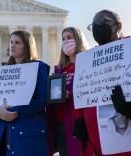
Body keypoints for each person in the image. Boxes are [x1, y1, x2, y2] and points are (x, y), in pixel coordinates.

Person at [72, 9, 131, 156]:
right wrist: (79, 118)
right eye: (93, 25)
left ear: (118, 25)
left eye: (102, 21)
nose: (97, 27)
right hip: (95, 145)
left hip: (130, 144)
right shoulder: (87, 60)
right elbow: (81, 94)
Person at [0, 30, 49, 156]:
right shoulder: (2, 71)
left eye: (17, 43)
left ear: (27, 45)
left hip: (26, 131)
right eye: (11, 42)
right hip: (2, 132)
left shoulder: (39, 67)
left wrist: (14, 113)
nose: (12, 45)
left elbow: (41, 100)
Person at [46, 27, 90, 156]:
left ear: (78, 39)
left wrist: (70, 96)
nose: (66, 42)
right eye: (63, 39)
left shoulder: (88, 65)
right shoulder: (59, 69)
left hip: (79, 122)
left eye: (70, 38)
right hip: (60, 122)